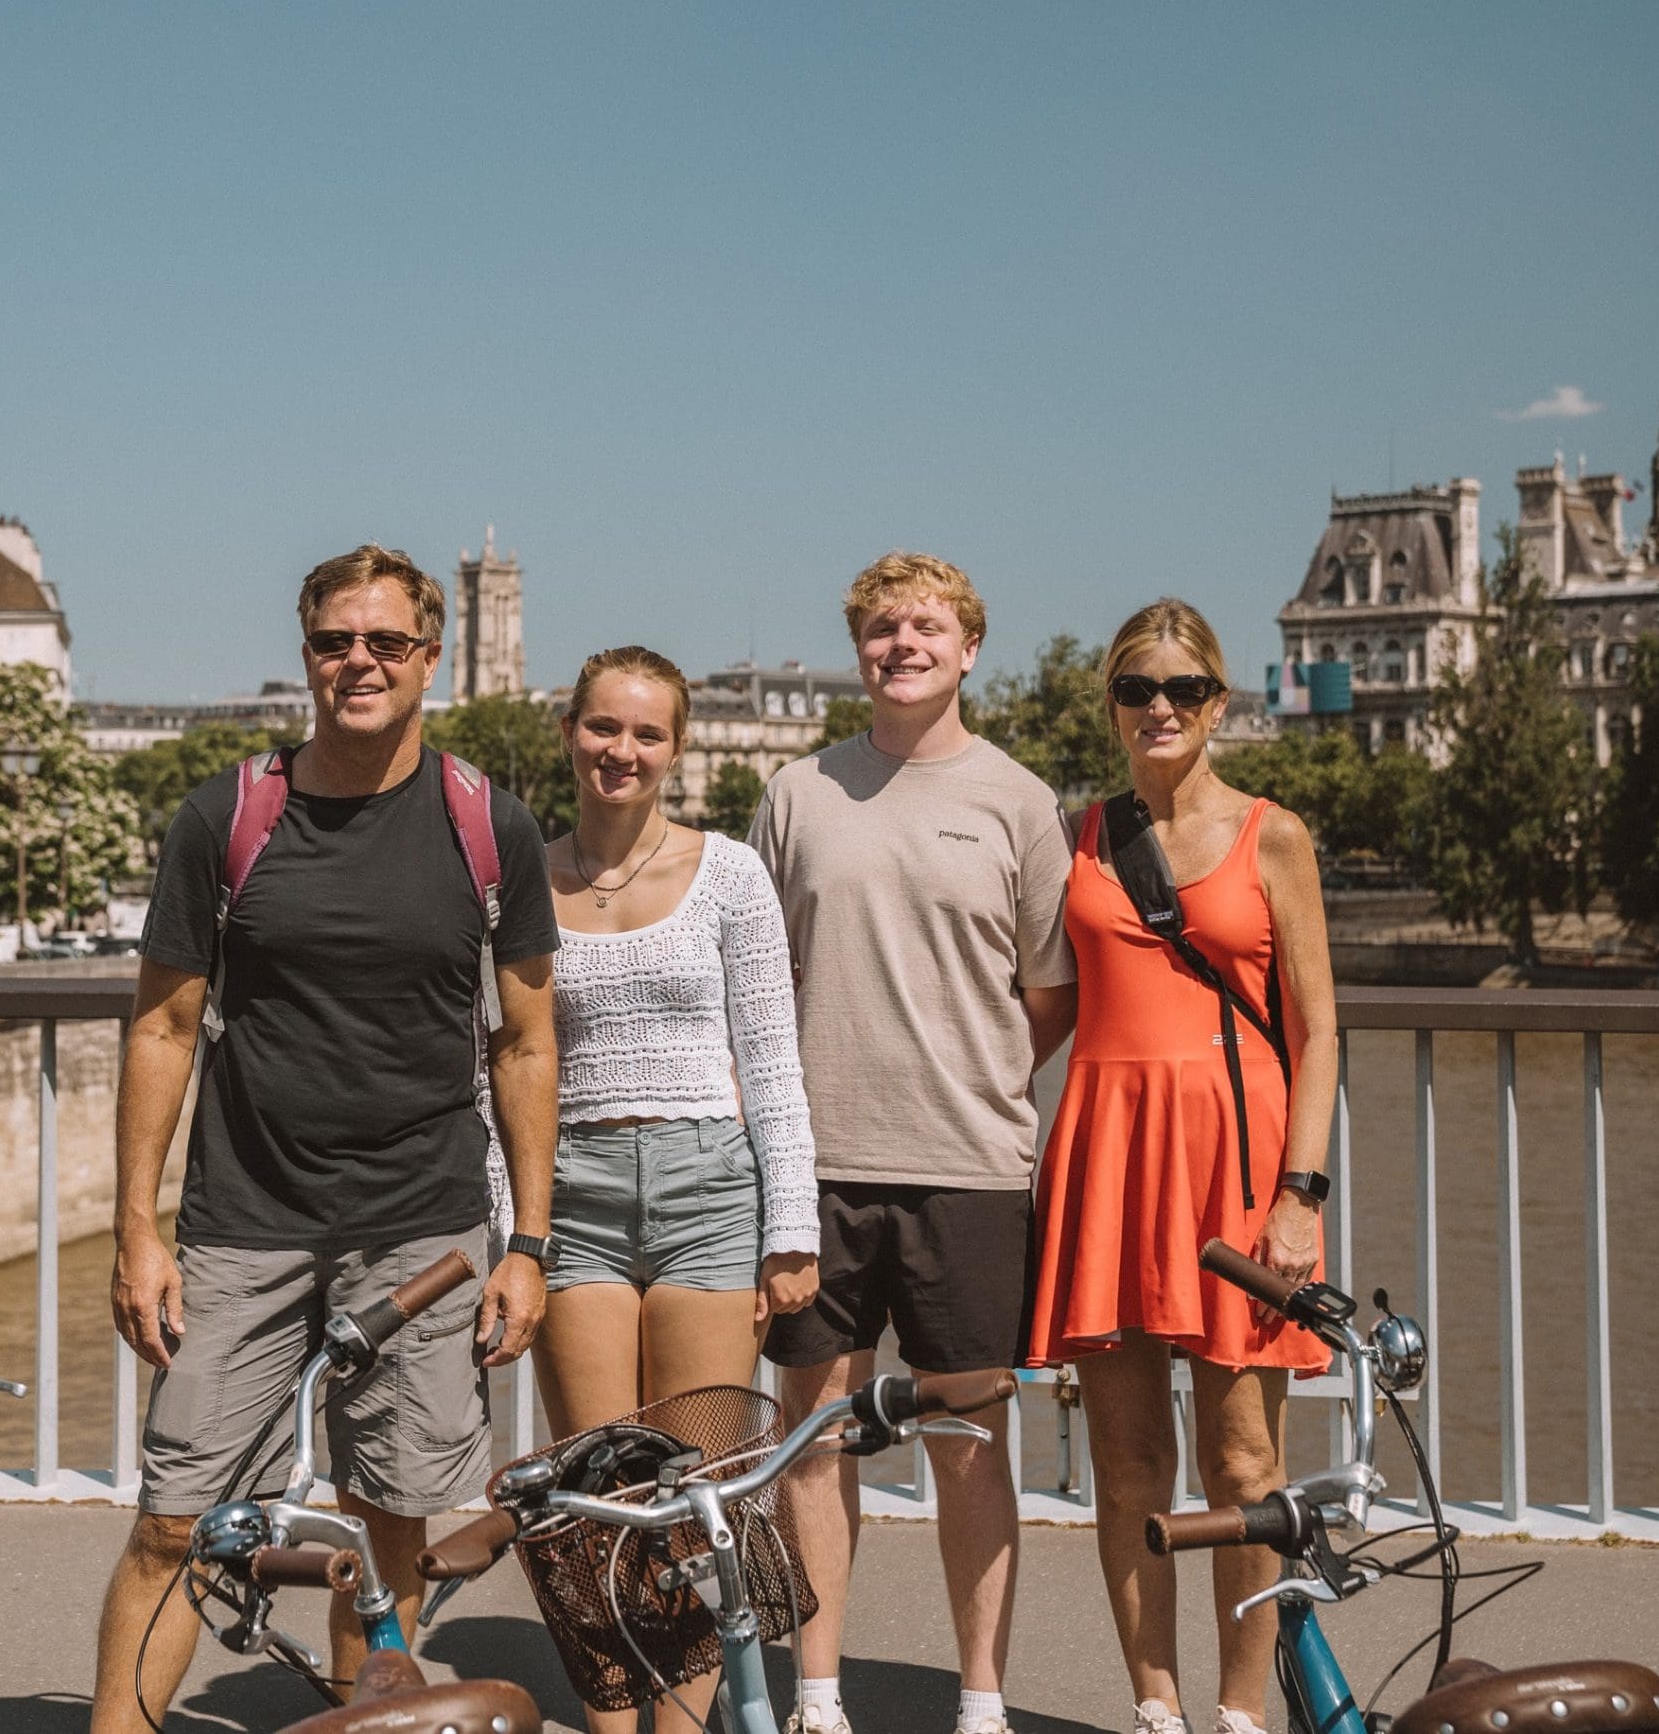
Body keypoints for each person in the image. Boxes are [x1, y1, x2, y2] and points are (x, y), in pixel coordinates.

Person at [91, 546, 561, 1733]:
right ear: (306, 654)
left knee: (381, 1526)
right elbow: (164, 1025)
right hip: (245, 1222)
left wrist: (530, 1245)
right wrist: (135, 1230)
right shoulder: (229, 814)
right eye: (335, 642)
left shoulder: (485, 824)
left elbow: (525, 1045)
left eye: (386, 643)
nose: (360, 663)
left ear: (429, 658)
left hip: (421, 1226)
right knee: (176, 1523)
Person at [750, 553, 1077, 1734]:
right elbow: (764, 978)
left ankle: (979, 1701)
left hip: (967, 1169)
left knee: (972, 1446)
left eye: (926, 626)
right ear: (859, 650)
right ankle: (820, 1692)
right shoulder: (796, 795)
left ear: (968, 648)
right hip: (816, 1166)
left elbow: (1047, 990)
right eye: (883, 627)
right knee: (810, 1441)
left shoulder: (1020, 803)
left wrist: (972, 1074)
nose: (904, 644)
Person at [1024, 599, 1338, 1734]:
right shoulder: (1074, 839)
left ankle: (1241, 1712)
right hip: (1108, 1161)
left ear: (1218, 701)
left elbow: (1317, 1031)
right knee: (1127, 1463)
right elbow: (1029, 1005)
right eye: (1135, 690)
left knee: (1245, 1465)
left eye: (1184, 690)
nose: (1160, 709)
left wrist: (1300, 1197)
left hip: (1239, 1175)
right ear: (1109, 705)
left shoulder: (1273, 833)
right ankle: (1154, 1705)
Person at [535, 644, 821, 1734]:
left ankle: (687, 1728)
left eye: (647, 734)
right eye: (604, 727)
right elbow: (494, 1065)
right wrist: (514, 1230)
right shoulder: (523, 879)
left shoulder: (731, 874)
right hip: (576, 1194)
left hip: (709, 1187)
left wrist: (789, 1225)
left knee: (701, 1503)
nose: (622, 750)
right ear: (570, 731)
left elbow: (772, 1058)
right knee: (596, 1503)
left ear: (675, 750)